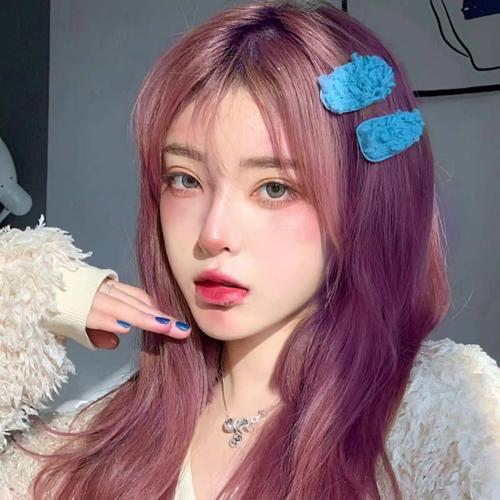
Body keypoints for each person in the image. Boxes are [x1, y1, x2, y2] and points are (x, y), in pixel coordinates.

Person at [1, 1, 499, 499]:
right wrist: (25, 292)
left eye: (275, 188)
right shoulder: (96, 436)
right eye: (186, 179)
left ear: (363, 206)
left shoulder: (442, 414)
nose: (213, 233)